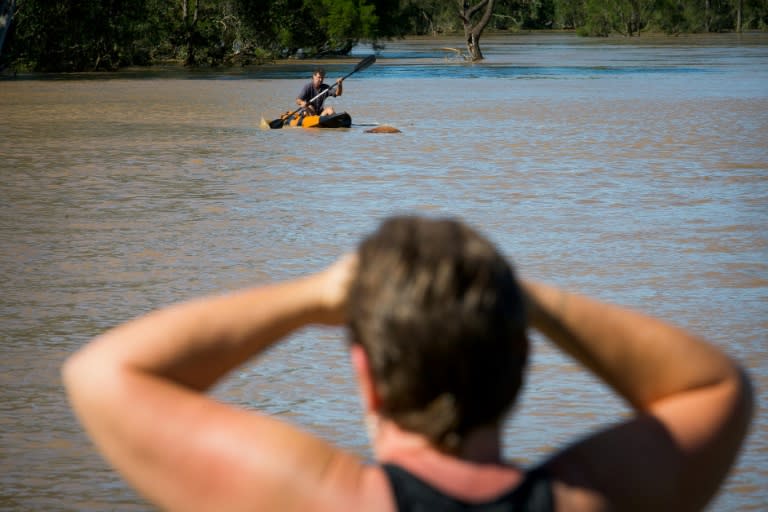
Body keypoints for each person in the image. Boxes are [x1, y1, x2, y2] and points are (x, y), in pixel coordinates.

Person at [63, 215, 753, 512]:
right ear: (523, 362)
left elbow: (102, 372)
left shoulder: (322, 500)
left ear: (364, 373)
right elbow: (717, 383)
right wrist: (517, 296)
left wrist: (317, 295)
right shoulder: (592, 500)